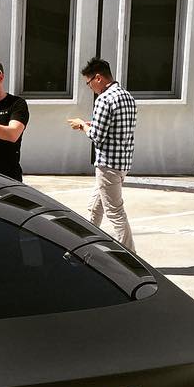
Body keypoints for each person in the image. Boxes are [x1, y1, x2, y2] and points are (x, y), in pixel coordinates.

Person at [68, 57, 137, 250]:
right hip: (122, 162)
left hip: (107, 164)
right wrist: (92, 125)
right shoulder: (127, 96)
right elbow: (117, 128)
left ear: (98, 78)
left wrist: (82, 125)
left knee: (114, 212)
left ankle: (131, 255)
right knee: (94, 209)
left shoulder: (104, 99)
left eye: (89, 83)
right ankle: (85, 247)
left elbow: (97, 136)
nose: (90, 87)